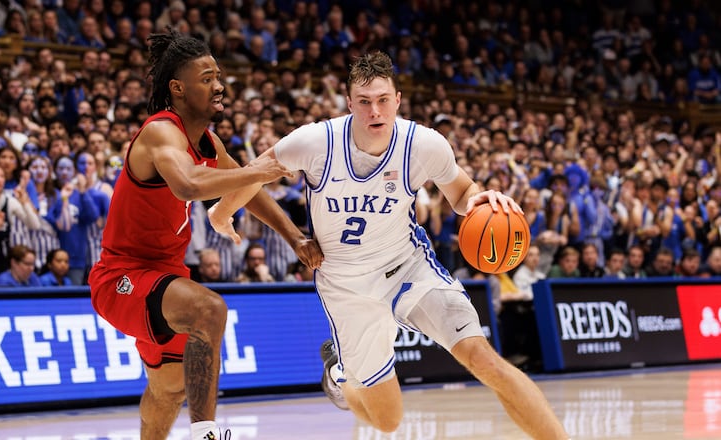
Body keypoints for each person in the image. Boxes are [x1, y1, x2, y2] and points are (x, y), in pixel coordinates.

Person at [209, 52, 568, 438]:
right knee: (387, 420)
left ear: (397, 100)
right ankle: (338, 371)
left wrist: (479, 201)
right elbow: (254, 174)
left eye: (383, 100)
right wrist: (221, 213)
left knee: (485, 360)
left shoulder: (423, 144)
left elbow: (462, 191)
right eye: (364, 102)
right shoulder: (315, 141)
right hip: (347, 287)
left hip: (408, 267)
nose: (374, 111)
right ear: (349, 104)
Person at [88, 29, 322, 440]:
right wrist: (259, 169)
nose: (220, 85)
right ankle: (206, 433)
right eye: (208, 77)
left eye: (219, 76)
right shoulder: (161, 131)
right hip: (121, 277)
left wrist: (295, 237)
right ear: (178, 88)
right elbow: (188, 185)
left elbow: (242, 188)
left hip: (165, 278)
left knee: (168, 390)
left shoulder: (207, 142)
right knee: (209, 310)